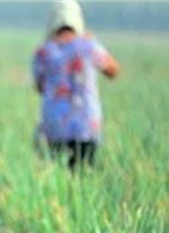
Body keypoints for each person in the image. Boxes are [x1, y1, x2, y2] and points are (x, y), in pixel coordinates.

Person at [33, 0, 120, 170]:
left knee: (59, 174)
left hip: (55, 125)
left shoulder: (43, 52)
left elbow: (40, 87)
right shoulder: (89, 46)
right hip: (86, 124)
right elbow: (113, 71)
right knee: (84, 172)